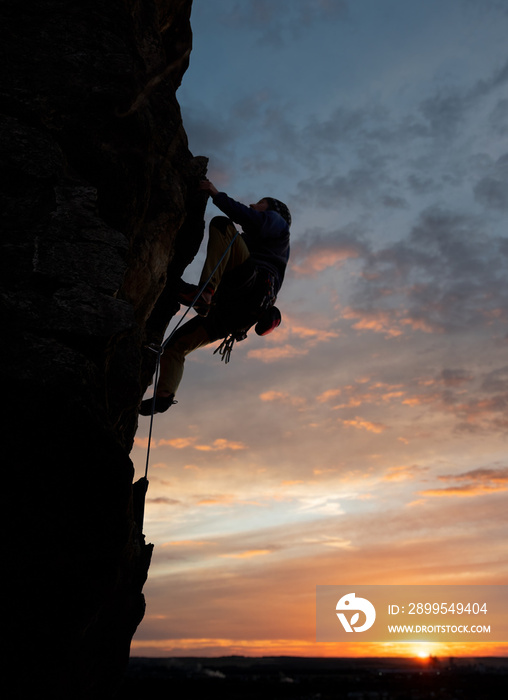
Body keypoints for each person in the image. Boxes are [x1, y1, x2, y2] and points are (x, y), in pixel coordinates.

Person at [139, 179, 291, 415]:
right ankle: (164, 395)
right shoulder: (257, 242)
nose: (253, 204)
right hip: (237, 314)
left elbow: (249, 218)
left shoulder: (278, 225)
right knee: (175, 347)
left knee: (223, 226)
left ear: (273, 210)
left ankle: (205, 291)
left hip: (253, 287)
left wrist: (214, 193)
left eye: (261, 203)